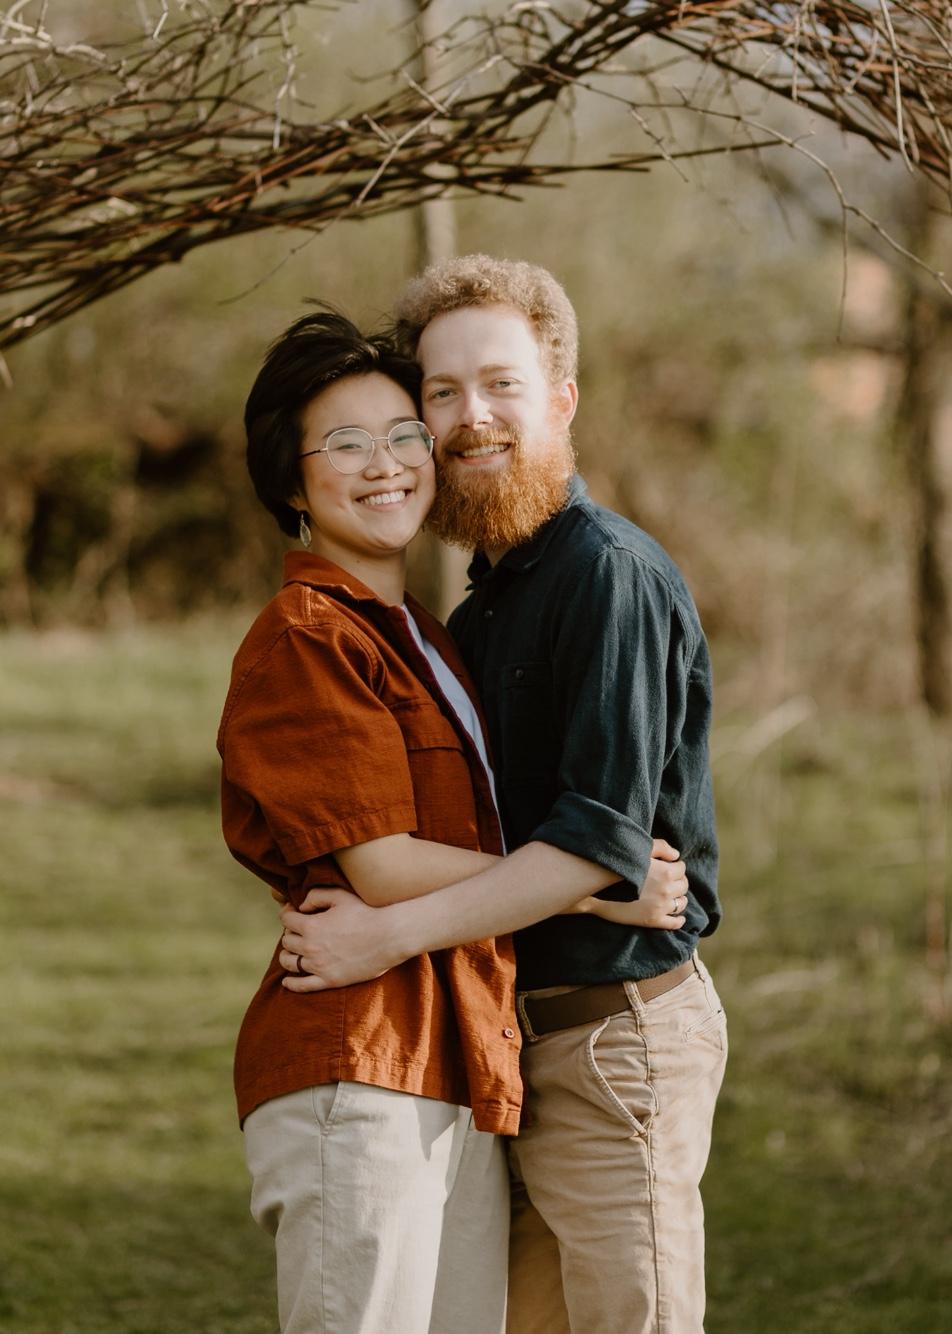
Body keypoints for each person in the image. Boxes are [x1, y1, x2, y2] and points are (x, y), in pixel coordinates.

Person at [276, 258, 727, 1334]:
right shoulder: (476, 615)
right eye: (440, 393)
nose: (470, 417)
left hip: (615, 1041)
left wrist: (383, 934)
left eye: (500, 383)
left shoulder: (606, 574)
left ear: (560, 398)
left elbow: (588, 847)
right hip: (509, 1048)